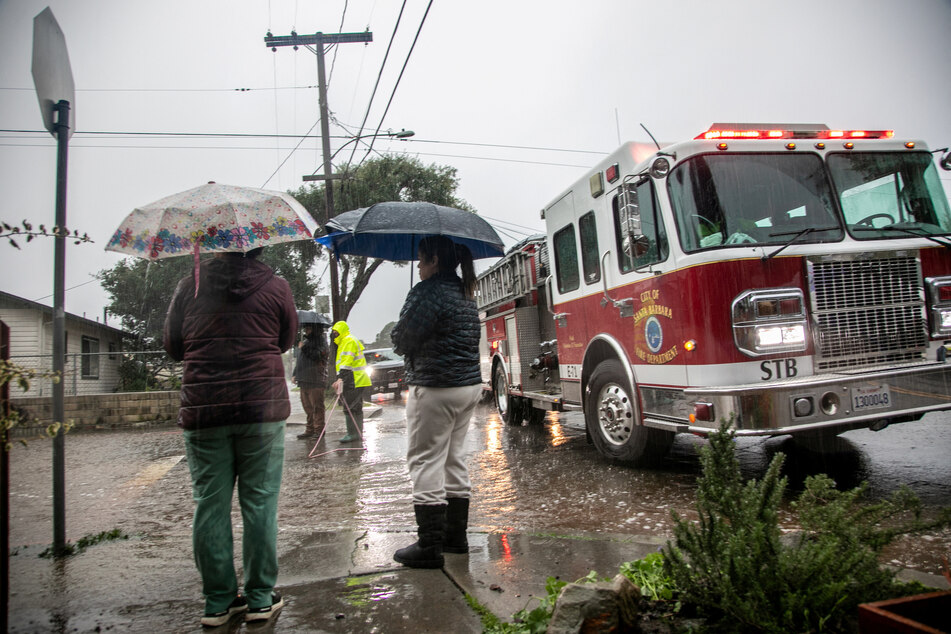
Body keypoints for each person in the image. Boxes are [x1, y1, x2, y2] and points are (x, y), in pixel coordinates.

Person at [163, 247, 295, 627]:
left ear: (217, 247)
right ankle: (258, 598)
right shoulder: (276, 286)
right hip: (261, 409)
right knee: (260, 503)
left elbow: (174, 347)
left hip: (205, 409)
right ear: (260, 244)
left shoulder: (189, 286)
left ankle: (218, 603)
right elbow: (285, 340)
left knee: (210, 504)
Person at [390, 235, 482, 569]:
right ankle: (455, 539)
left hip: (436, 387)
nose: (418, 265)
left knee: (425, 460)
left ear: (434, 261)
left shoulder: (428, 292)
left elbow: (402, 339)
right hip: (468, 386)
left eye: (421, 258)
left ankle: (429, 546)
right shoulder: (465, 292)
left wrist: (403, 319)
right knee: (453, 458)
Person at [330, 320, 372, 444]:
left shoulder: (348, 341)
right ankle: (357, 433)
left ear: (342, 331)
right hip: (355, 378)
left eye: (336, 332)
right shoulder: (345, 341)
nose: (334, 334)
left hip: (353, 379)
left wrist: (340, 378)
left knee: (350, 407)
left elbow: (346, 363)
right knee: (355, 406)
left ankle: (352, 434)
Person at [292, 321, 329, 440]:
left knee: (317, 407)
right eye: (306, 328)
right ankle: (310, 429)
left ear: (315, 328)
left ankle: (319, 430)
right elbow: (300, 360)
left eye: (309, 328)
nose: (306, 330)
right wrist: (295, 374)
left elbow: (317, 356)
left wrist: (304, 348)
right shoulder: (306, 342)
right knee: (307, 407)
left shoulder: (321, 342)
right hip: (304, 379)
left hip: (315, 379)